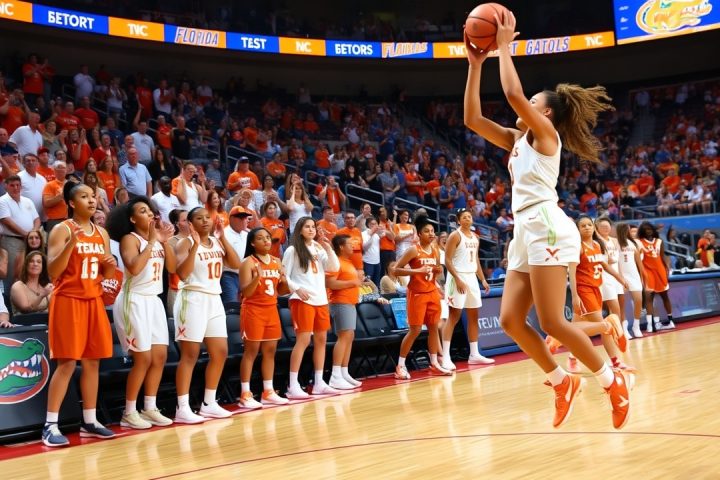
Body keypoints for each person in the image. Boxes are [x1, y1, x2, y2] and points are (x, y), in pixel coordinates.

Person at [463, 10, 630, 429]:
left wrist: (504, 47)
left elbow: (513, 93)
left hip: (547, 224)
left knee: (553, 320)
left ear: (547, 114)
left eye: (535, 103)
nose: (527, 105)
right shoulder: (516, 140)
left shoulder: (546, 137)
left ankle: (612, 382)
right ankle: (561, 381)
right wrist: (475, 65)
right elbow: (471, 120)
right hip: (525, 228)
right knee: (509, 320)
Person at [42, 182, 117, 447]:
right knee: (67, 363)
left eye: (93, 196)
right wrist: (70, 244)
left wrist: (110, 265)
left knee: (92, 362)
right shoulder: (61, 229)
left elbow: (107, 273)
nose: (92, 200)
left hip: (94, 300)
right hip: (68, 300)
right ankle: (50, 425)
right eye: (84, 197)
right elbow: (53, 271)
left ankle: (90, 420)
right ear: (72, 203)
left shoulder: (102, 233)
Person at [107, 196, 177, 429]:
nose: (149, 214)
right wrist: (151, 242)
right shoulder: (130, 239)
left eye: (150, 211)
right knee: (143, 358)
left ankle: (149, 407)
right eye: (143, 211)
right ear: (132, 219)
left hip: (154, 300)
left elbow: (172, 268)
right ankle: (129, 412)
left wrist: (164, 242)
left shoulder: (157, 240)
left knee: (159, 356)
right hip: (134, 300)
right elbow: (135, 267)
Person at [173, 207, 241, 423]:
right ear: (190, 223)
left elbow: (236, 264)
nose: (205, 221)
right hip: (192, 298)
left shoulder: (217, 241)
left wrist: (223, 238)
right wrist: (194, 245)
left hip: (214, 298)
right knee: (190, 354)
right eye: (199, 218)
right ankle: (182, 407)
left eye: (207, 217)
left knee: (220, 352)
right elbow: (182, 273)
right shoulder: (185, 243)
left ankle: (209, 403)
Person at [545, 217, 628, 370]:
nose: (587, 227)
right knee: (604, 327)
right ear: (577, 229)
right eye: (583, 226)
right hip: (584, 290)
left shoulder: (597, 245)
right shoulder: (577, 247)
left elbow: (604, 264)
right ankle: (615, 361)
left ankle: (568, 352)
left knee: (577, 328)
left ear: (594, 227)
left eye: (589, 225)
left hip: (596, 288)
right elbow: (571, 272)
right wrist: (575, 295)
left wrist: (620, 278)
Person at [281, 216, 340, 398]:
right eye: (307, 227)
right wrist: (296, 288)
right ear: (299, 230)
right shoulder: (292, 250)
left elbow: (334, 268)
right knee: (304, 340)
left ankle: (319, 383)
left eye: (313, 226)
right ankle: (293, 385)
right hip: (302, 299)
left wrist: (328, 248)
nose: (311, 229)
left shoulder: (317, 248)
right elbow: (283, 275)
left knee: (321, 340)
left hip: (320, 299)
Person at [237, 227, 290, 409]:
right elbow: (246, 293)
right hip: (253, 310)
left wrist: (285, 281)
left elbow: (281, 291)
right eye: (260, 238)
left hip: (271, 309)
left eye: (268, 237)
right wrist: (256, 278)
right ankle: (245, 394)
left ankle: (268, 391)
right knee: (251, 352)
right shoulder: (248, 262)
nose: (266, 241)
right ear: (252, 243)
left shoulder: (276, 261)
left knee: (270, 351)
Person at [392, 215, 450, 379]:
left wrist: (438, 271)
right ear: (419, 234)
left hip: (432, 292)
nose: (431, 234)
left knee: (433, 328)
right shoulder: (413, 250)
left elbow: (435, 271)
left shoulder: (435, 250)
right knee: (415, 330)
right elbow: (396, 270)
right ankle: (400, 366)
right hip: (417, 294)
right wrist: (417, 271)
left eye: (432, 231)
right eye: (426, 231)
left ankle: (435, 363)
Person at [440, 209, 493, 371]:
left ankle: (474, 354)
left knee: (474, 316)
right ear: (458, 221)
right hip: (457, 276)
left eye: (469, 216)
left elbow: (476, 260)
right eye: (464, 217)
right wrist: (457, 279)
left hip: (471, 277)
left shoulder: (475, 237)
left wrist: (482, 279)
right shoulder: (455, 236)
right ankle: (445, 357)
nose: (467, 219)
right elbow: (447, 260)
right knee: (454, 316)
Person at [327, 234, 365, 390]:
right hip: (340, 302)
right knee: (344, 336)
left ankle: (344, 372)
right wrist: (353, 282)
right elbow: (330, 283)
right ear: (341, 247)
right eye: (349, 244)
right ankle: (335, 375)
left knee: (349, 336)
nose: (353, 246)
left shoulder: (348, 262)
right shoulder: (336, 262)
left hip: (350, 302)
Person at [637, 221, 675, 332]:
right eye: (645, 230)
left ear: (653, 230)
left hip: (660, 271)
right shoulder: (639, 242)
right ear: (642, 231)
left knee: (665, 296)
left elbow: (662, 257)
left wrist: (667, 268)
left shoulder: (659, 241)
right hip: (648, 272)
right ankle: (650, 324)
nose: (648, 231)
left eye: (649, 229)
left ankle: (671, 321)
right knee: (649, 298)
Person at [616, 222, 646, 339]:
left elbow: (639, 263)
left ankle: (636, 326)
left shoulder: (633, 243)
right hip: (620, 276)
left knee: (638, 300)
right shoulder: (615, 243)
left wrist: (642, 277)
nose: (627, 231)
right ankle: (624, 328)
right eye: (625, 229)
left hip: (634, 276)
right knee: (621, 303)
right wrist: (620, 277)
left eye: (628, 229)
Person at [10, 250, 53, 315]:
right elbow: (26, 310)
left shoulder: (45, 286)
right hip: (25, 320)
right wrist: (42, 295)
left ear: (43, 266)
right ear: (26, 265)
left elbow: (53, 308)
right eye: (31, 261)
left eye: (39, 262)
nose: (35, 264)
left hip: (45, 320)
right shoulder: (18, 286)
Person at [166, 209, 189, 313]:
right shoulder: (171, 241)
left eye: (189, 219)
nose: (189, 222)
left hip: (197, 289)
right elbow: (171, 267)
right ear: (177, 224)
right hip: (177, 289)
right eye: (184, 220)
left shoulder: (199, 239)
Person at [362, 217, 383, 287]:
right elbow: (365, 247)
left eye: (375, 224)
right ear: (368, 225)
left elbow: (390, 236)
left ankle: (377, 294)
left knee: (377, 283)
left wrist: (386, 228)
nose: (374, 226)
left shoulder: (377, 234)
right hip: (368, 262)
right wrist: (372, 235)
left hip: (377, 262)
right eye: (372, 224)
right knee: (368, 283)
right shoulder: (363, 234)